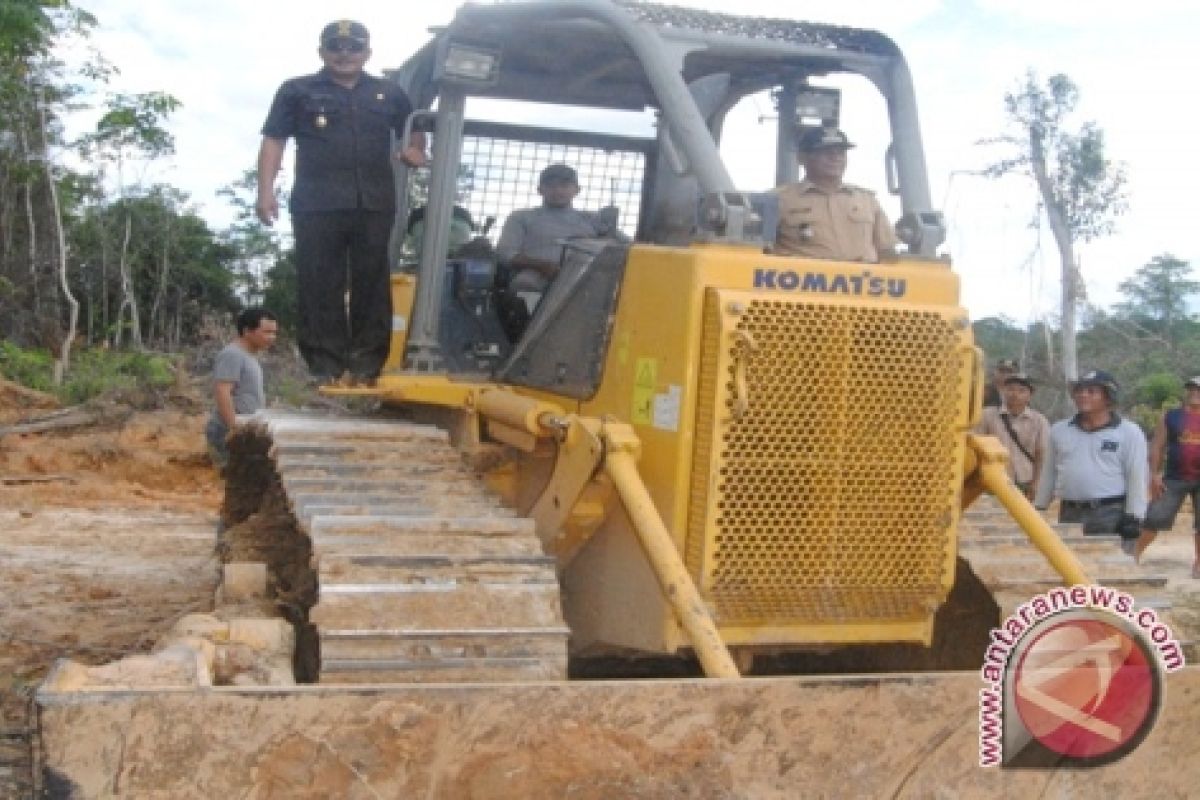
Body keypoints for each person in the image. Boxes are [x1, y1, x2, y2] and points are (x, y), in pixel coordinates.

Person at [256, 20, 426, 386]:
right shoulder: (296, 90)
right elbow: (273, 140)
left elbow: (416, 127)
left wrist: (416, 150)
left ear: (367, 52)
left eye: (353, 47)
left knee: (372, 280)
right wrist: (265, 192)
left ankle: (367, 366)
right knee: (319, 282)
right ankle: (324, 367)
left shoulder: (389, 93)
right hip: (317, 203)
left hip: (374, 203)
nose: (344, 54)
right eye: (336, 46)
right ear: (322, 51)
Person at [1033, 370, 1147, 540]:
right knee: (1070, 563)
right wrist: (1039, 507)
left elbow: (1136, 475)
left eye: (1091, 391)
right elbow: (1049, 472)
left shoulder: (1128, 432)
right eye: (1079, 391)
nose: (1082, 395)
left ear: (1108, 397)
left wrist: (1134, 516)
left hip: (1110, 512)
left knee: (1109, 564)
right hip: (1070, 512)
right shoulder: (1060, 430)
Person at [772, 127, 898, 261]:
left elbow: (887, 251)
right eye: (826, 152)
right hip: (804, 279)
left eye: (841, 153)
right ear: (802, 157)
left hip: (863, 279)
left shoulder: (867, 201)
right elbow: (758, 249)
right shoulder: (778, 200)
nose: (835, 158)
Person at [496, 164, 619, 295]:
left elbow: (625, 245)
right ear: (539, 190)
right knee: (524, 282)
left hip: (583, 278)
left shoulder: (592, 219)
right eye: (550, 186)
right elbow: (505, 253)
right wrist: (541, 266)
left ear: (577, 190)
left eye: (564, 186)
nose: (558, 191)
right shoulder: (522, 217)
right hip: (536, 278)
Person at [1135, 377, 1200, 577]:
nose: (1194, 392)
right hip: (1174, 476)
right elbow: (1157, 446)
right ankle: (1133, 555)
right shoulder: (1171, 417)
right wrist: (1154, 475)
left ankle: (1198, 564)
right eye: (1190, 388)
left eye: (1197, 389)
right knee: (1154, 518)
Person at [206, 308, 278, 470]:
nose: (271, 338)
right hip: (228, 431)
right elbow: (222, 391)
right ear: (247, 331)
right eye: (266, 332)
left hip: (244, 430)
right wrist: (234, 427)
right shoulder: (233, 355)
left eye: (274, 333)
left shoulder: (249, 356)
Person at [977, 372, 1049, 499]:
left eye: (1021, 391)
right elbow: (975, 446)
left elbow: (1042, 455)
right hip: (992, 482)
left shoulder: (1039, 421)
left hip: (1025, 483)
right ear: (1004, 391)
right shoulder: (987, 416)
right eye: (1010, 389)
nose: (1015, 394)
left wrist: (1036, 483)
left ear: (1030, 395)